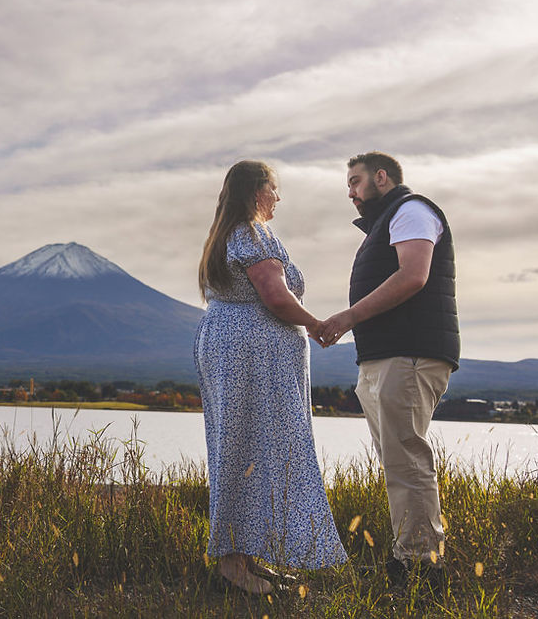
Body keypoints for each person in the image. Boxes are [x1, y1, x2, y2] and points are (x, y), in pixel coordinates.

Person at [195, 160, 347, 594]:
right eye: (274, 190)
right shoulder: (250, 233)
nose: (278, 198)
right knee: (257, 448)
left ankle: (244, 555)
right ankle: (233, 564)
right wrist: (317, 326)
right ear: (256, 192)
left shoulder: (228, 233)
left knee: (245, 448)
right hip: (251, 360)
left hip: (236, 352)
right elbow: (276, 297)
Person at [316, 152, 459, 580]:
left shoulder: (412, 210)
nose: (351, 193)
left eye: (356, 182)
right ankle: (409, 556)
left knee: (406, 458)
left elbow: (414, 275)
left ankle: (421, 566)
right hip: (385, 357)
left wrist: (347, 317)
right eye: (348, 186)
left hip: (409, 354)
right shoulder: (387, 222)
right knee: (398, 460)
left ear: (382, 177)